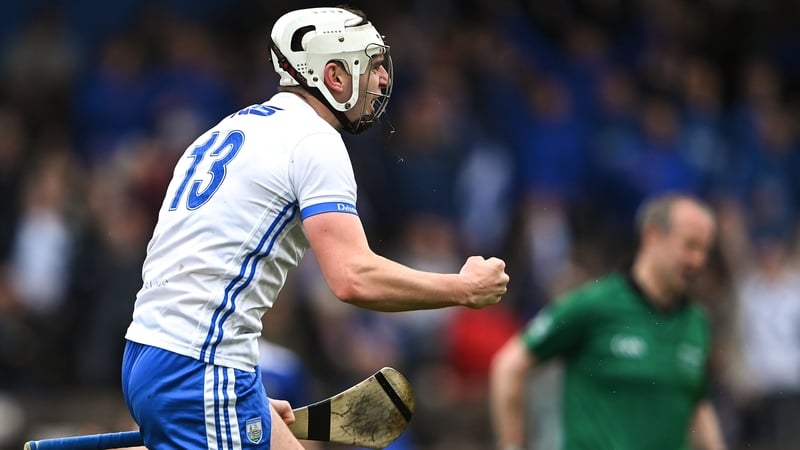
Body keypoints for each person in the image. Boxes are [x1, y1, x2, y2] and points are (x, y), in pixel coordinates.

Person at [120, 6, 509, 450]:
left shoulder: (227, 130)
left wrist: (245, 390)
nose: (383, 81)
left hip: (157, 354)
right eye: (373, 66)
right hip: (199, 366)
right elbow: (353, 277)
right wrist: (462, 289)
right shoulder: (314, 140)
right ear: (335, 76)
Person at [489, 193, 726, 450]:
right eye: (690, 246)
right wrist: (512, 445)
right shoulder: (594, 305)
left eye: (705, 250)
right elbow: (509, 366)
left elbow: (696, 402)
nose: (699, 261)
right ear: (653, 235)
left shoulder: (697, 322)